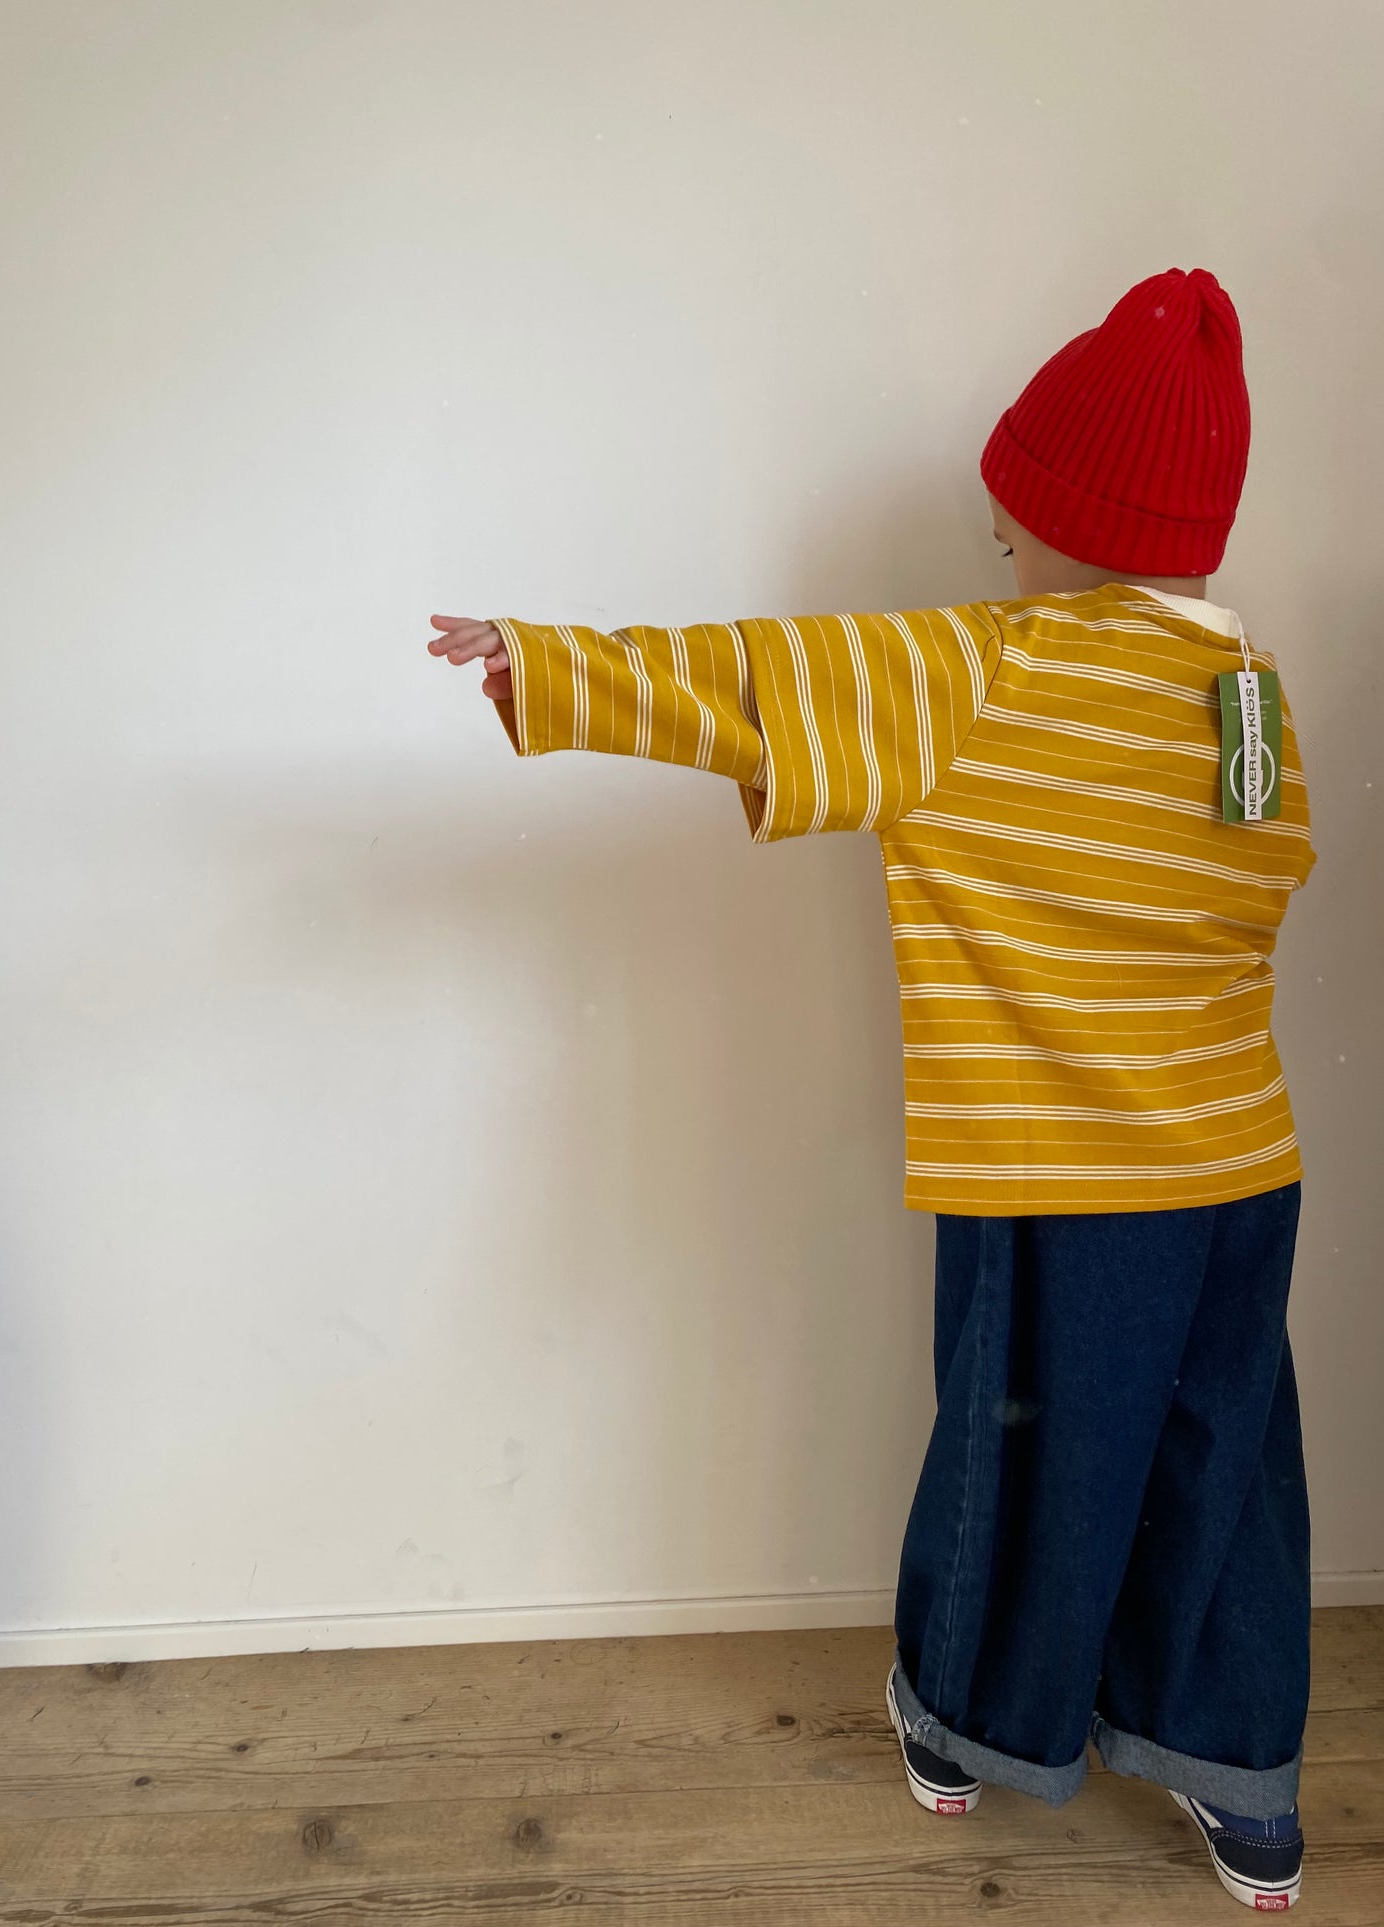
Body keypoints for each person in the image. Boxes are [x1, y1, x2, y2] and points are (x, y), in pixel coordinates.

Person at [428, 267, 1313, 1912]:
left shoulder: (984, 666)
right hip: (1239, 1165)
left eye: (1011, 528)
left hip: (1055, 1173)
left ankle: (969, 1728)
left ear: (1065, 527)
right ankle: (1242, 1786)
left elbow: (763, 679)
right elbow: (1261, 887)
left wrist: (548, 665)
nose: (999, 553)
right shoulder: (1247, 694)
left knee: (1020, 1446)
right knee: (1224, 1450)